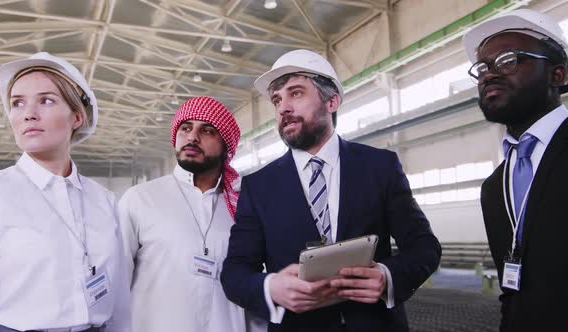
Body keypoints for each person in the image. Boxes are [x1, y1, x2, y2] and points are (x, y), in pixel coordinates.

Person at [221, 49, 441, 331]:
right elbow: (235, 271)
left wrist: (386, 277)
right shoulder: (257, 186)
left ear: (332, 101)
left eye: (296, 93)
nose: (282, 107)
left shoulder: (380, 167)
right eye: (277, 99)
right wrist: (271, 287)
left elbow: (424, 247)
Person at [0, 52, 130, 332]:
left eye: (46, 100)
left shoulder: (103, 200)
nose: (28, 113)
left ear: (76, 117)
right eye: (17, 103)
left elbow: (119, 299)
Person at [118, 96, 265, 332]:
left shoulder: (243, 206)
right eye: (185, 128)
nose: (192, 137)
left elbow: (254, 287)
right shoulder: (140, 199)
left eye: (207, 130)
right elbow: (117, 284)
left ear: (226, 145)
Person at [463, 9, 568, 332]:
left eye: (508, 60)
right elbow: (512, 293)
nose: (489, 75)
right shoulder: (494, 188)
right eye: (482, 67)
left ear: (558, 75)